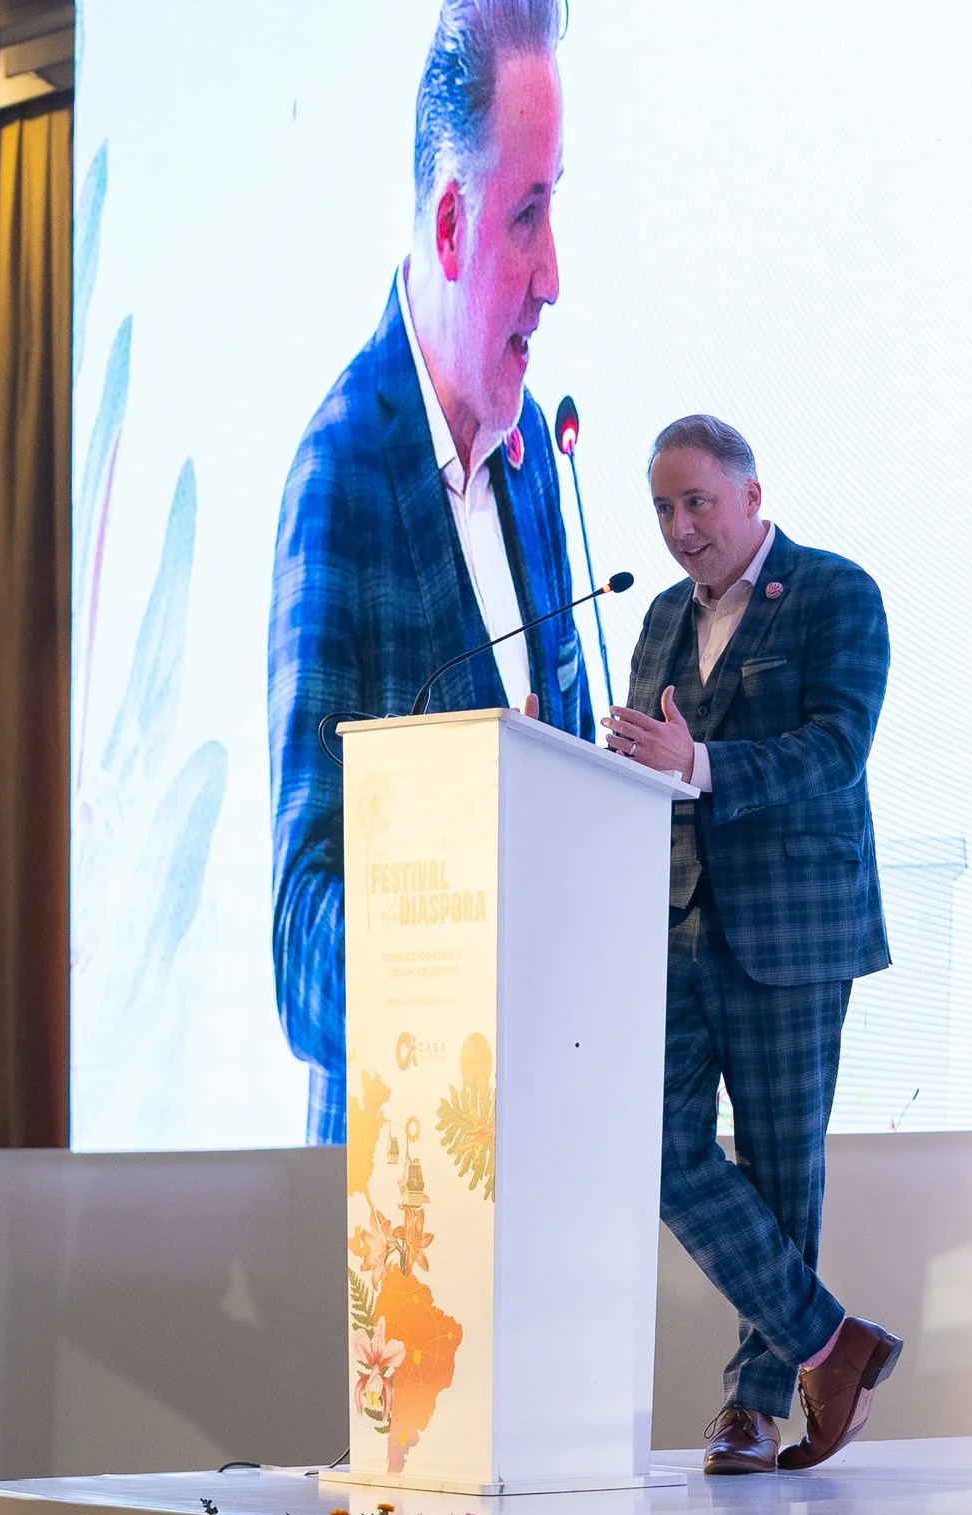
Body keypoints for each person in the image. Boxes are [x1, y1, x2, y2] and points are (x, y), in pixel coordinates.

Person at [267, 0, 594, 1144]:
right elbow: (302, 945)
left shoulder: (534, 456)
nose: (554, 275)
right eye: (528, 215)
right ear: (451, 224)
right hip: (404, 1191)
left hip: (551, 1151)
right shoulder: (342, 471)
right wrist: (464, 962)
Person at [603, 415, 902, 1475]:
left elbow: (836, 749)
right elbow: (651, 760)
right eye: (663, 509)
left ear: (752, 495)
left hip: (793, 926)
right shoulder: (656, 617)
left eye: (698, 503)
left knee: (779, 1174)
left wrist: (700, 764)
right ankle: (831, 1342)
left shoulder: (835, 591)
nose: (681, 528)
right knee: (650, 1143)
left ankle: (753, 1405)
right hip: (676, 920)